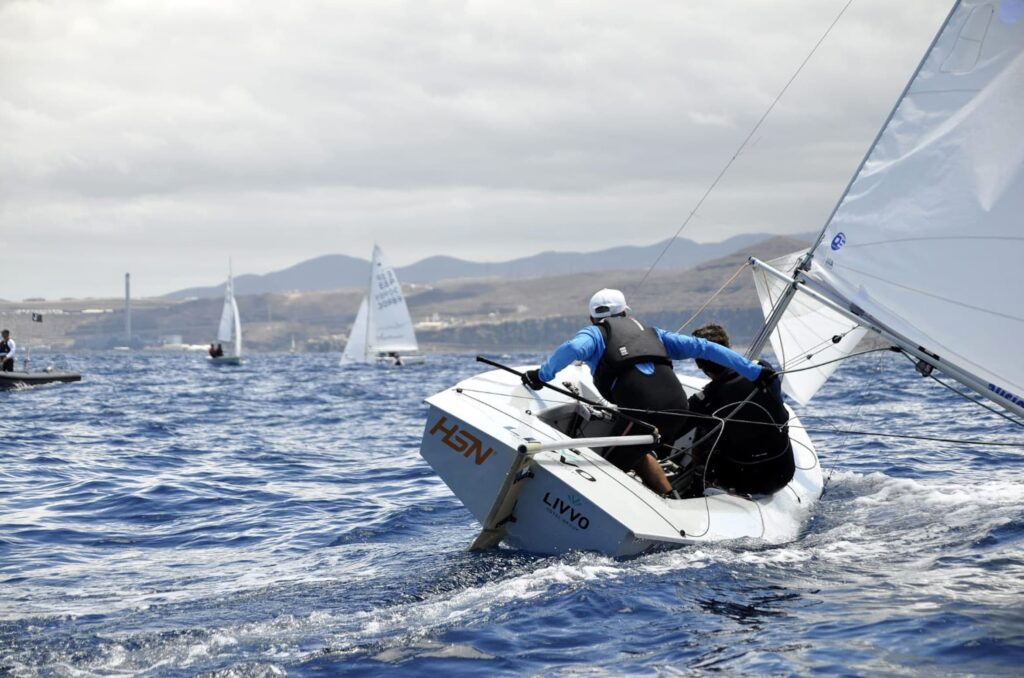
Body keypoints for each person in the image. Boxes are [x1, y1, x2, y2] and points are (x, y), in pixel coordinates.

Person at [522, 289, 775, 496]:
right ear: (625, 313)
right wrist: (753, 371)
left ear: (591, 319)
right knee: (640, 451)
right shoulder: (656, 335)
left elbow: (572, 348)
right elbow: (705, 347)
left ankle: (655, 507)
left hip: (644, 415)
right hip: (679, 412)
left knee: (608, 466)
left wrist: (540, 376)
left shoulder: (595, 334)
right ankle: (667, 497)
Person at [686, 323, 794, 496]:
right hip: (783, 472)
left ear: (699, 364)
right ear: (729, 350)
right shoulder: (763, 370)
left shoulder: (703, 400)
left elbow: (672, 428)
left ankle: (700, 485)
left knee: (702, 431)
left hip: (741, 482)